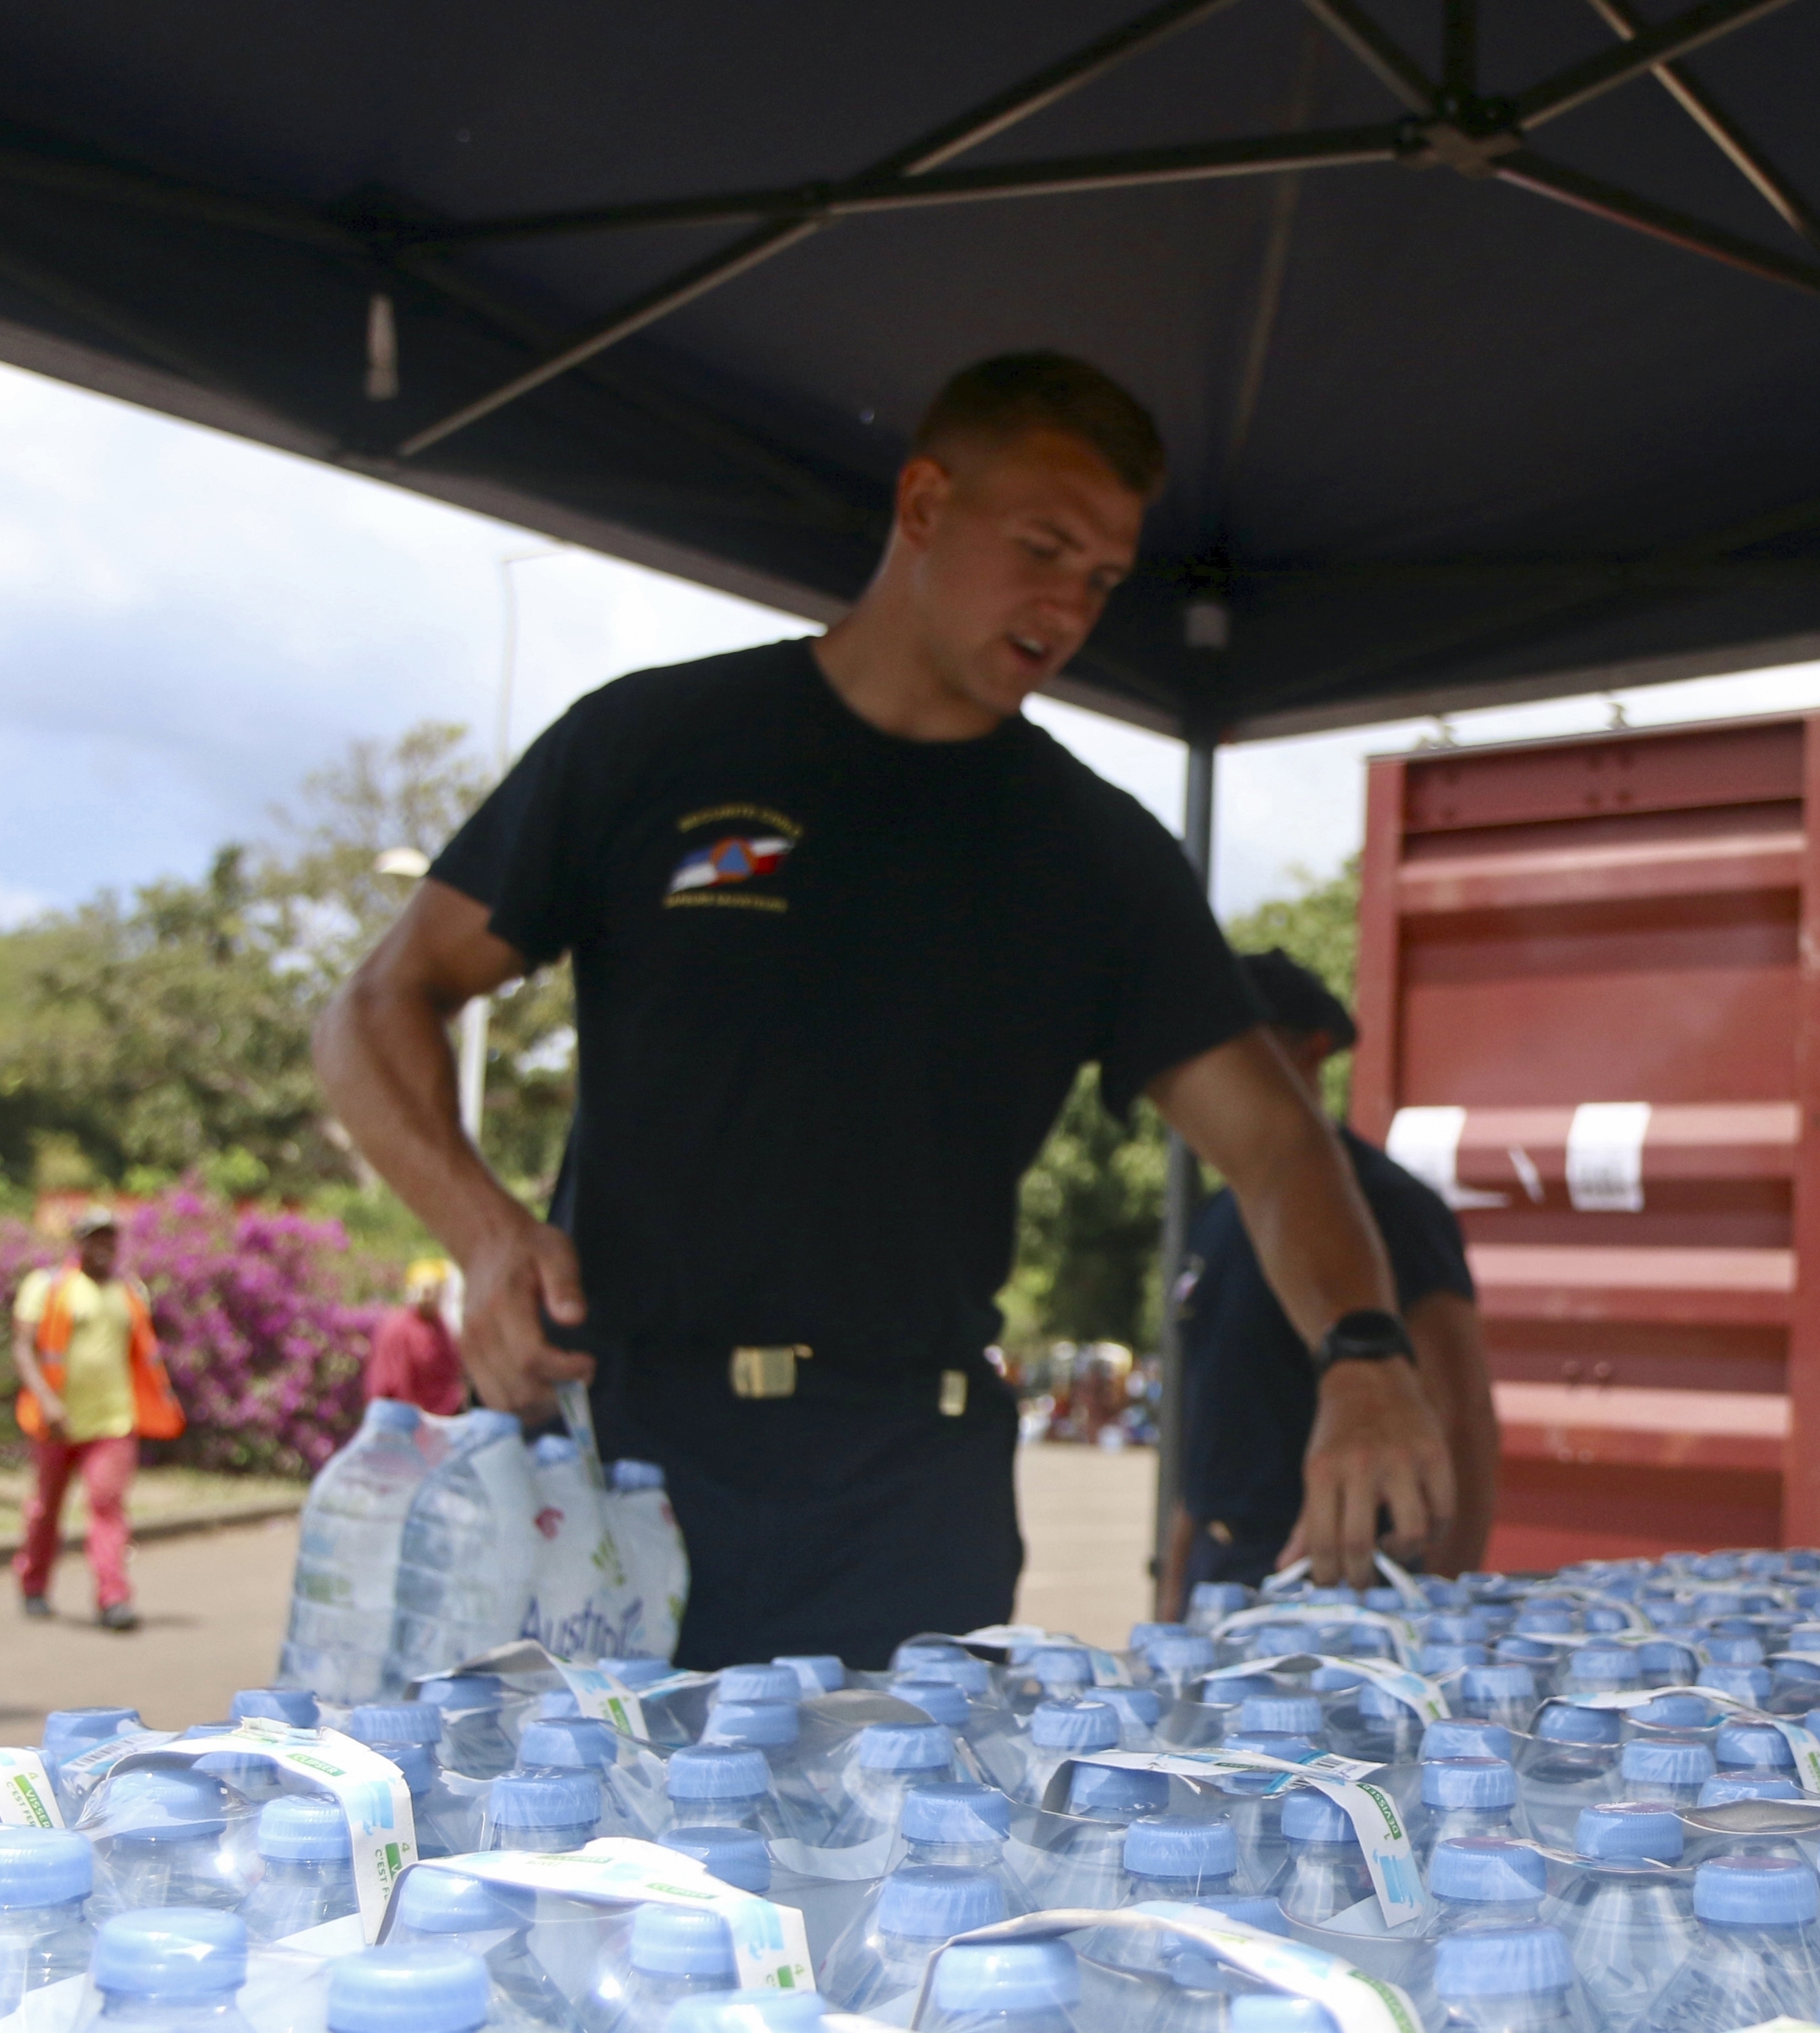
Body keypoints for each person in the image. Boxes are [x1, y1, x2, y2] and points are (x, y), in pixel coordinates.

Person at [315, 351, 1453, 1675]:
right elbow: (379, 1000)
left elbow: (1274, 1141)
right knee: (563, 1870)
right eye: (1042, 547)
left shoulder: (1095, 856)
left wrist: (1366, 1352)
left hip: (907, 1498)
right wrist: (486, 1233)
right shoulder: (657, 745)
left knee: (897, 1877)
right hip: (616, 1463)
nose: (1069, 604)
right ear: (923, 505)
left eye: (1101, 578)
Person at [1161, 950, 1500, 1606]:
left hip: (1336, 1587)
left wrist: (1441, 1610)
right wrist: (1176, 1589)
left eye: (1239, 1052)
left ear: (1309, 1051)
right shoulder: (1217, 1216)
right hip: (1220, 1579)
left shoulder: (1388, 1206)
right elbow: (1209, 1428)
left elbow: (1463, 1420)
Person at [7, 1207, 183, 1631]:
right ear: (78, 1243)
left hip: (113, 1421)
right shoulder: (47, 1286)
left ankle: (113, 1598)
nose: (103, 1247)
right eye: (94, 1239)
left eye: (110, 1239)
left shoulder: (130, 1291)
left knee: (107, 1508)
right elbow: (22, 1347)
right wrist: (46, 1399)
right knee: (45, 1508)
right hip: (56, 1421)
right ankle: (33, 1583)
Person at [365, 1259, 467, 1415]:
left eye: (436, 1292)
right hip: (403, 1418)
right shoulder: (397, 1328)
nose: (430, 1298)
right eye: (426, 1291)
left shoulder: (439, 1326)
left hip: (440, 1419)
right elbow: (387, 1380)